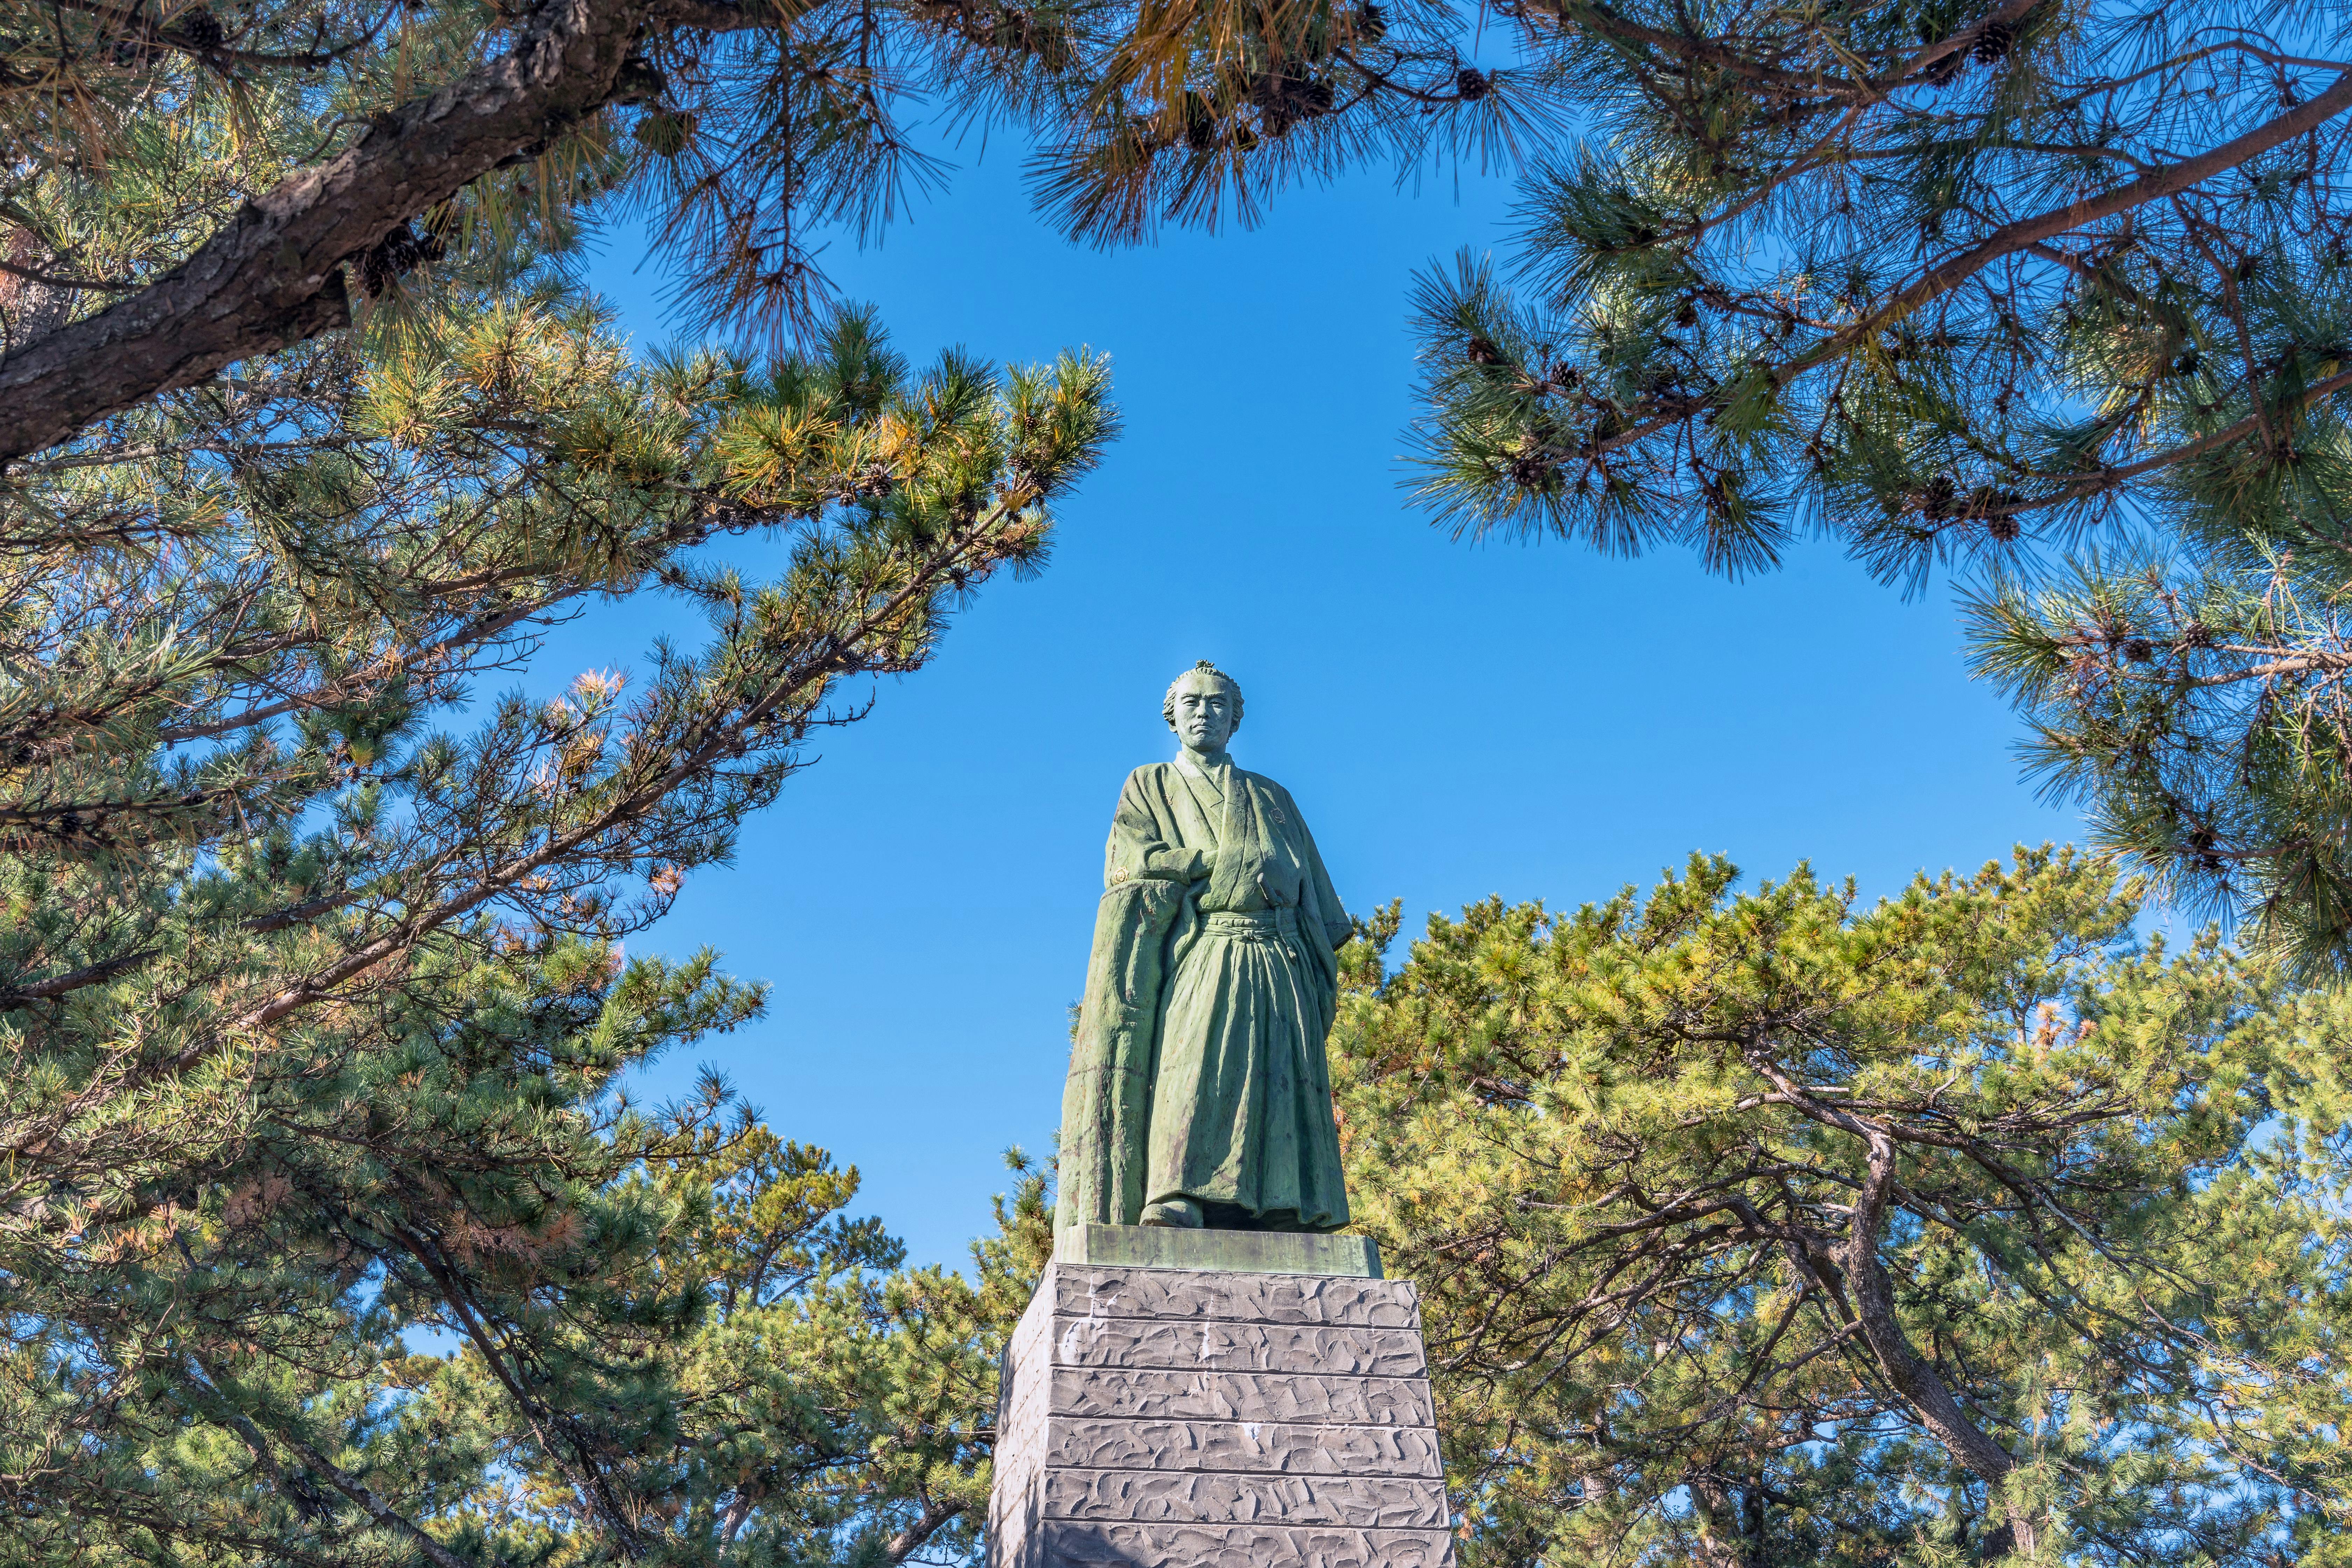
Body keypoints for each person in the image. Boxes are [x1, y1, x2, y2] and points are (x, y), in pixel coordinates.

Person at [1056, 662, 1353, 1234]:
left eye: (1218, 704)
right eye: (1191, 703)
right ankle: (1175, 1194)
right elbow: (1130, 863)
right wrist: (1208, 863)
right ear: (1172, 716)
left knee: (1279, 1080)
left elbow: (1317, 895)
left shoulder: (1273, 797)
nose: (1204, 713)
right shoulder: (1149, 784)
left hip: (1278, 953)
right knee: (1192, 1066)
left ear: (1236, 719)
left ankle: (1282, 1202)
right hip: (1206, 944)